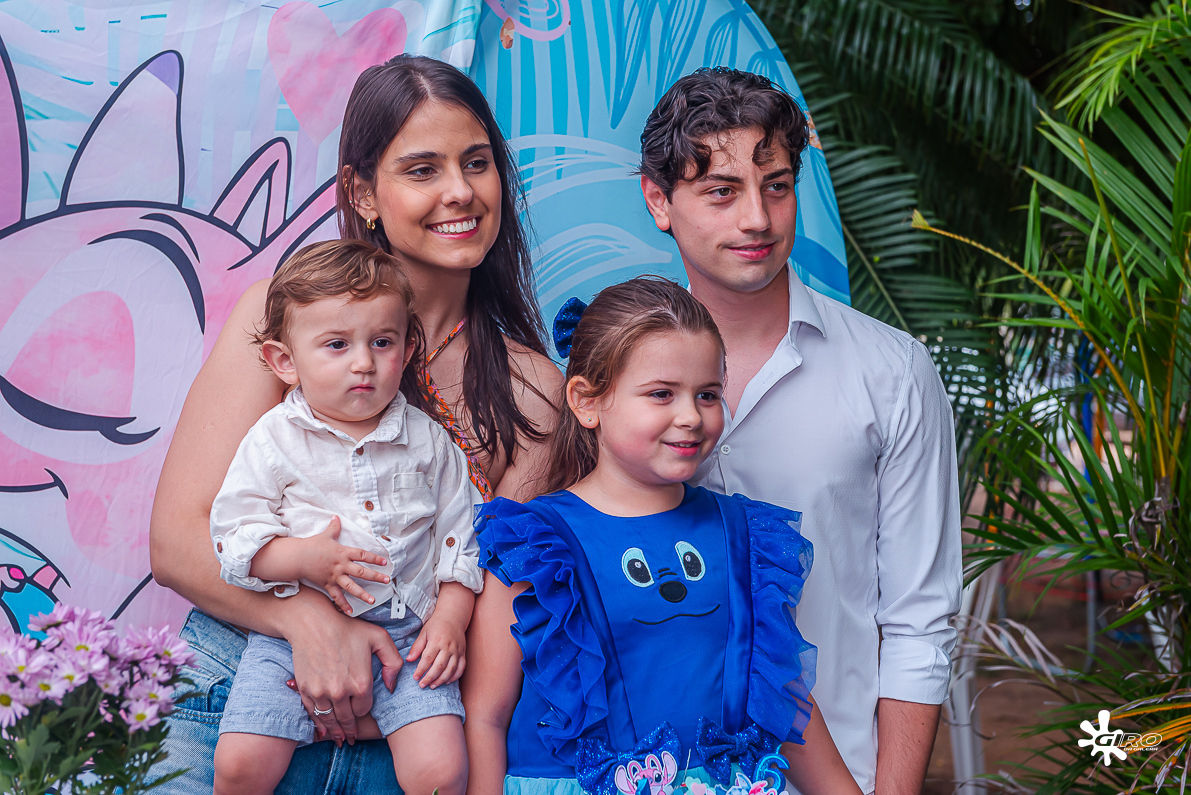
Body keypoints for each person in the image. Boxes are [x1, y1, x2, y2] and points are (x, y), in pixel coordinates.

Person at [149, 55, 561, 793]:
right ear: (362, 192)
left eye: (476, 163)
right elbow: (179, 541)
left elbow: (485, 597)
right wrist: (311, 624)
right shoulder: (282, 314)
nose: (460, 191)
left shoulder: (534, 390)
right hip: (233, 694)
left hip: (403, 723)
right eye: (423, 169)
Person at [636, 68, 962, 795]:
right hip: (653, 773)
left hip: (843, 771)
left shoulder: (893, 372)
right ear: (659, 200)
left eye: (776, 186)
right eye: (721, 191)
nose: (757, 217)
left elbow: (919, 620)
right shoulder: (612, 384)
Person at [463, 277, 861, 795]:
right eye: (661, 394)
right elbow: (485, 714)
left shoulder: (747, 538)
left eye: (708, 394)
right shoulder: (537, 546)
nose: (690, 416)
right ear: (586, 401)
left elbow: (783, 699)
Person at [208, 240, 482, 795]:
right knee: (239, 762)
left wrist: (451, 620)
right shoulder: (273, 440)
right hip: (292, 641)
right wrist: (301, 558)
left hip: (411, 638)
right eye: (337, 345)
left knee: (443, 770)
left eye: (382, 342)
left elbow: (461, 536)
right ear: (284, 362)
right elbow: (233, 536)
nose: (363, 363)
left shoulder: (430, 443)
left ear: (406, 350)